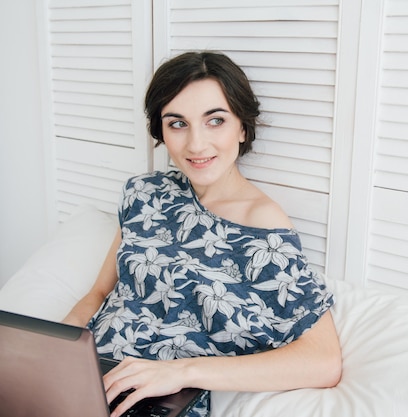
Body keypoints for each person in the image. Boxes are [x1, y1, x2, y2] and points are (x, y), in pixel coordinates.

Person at [63, 51, 342, 417]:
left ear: (242, 127)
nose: (196, 145)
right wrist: (57, 341)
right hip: (84, 376)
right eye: (177, 123)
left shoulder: (262, 225)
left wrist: (180, 372)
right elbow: (100, 291)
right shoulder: (144, 193)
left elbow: (323, 360)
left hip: (153, 400)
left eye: (215, 121)